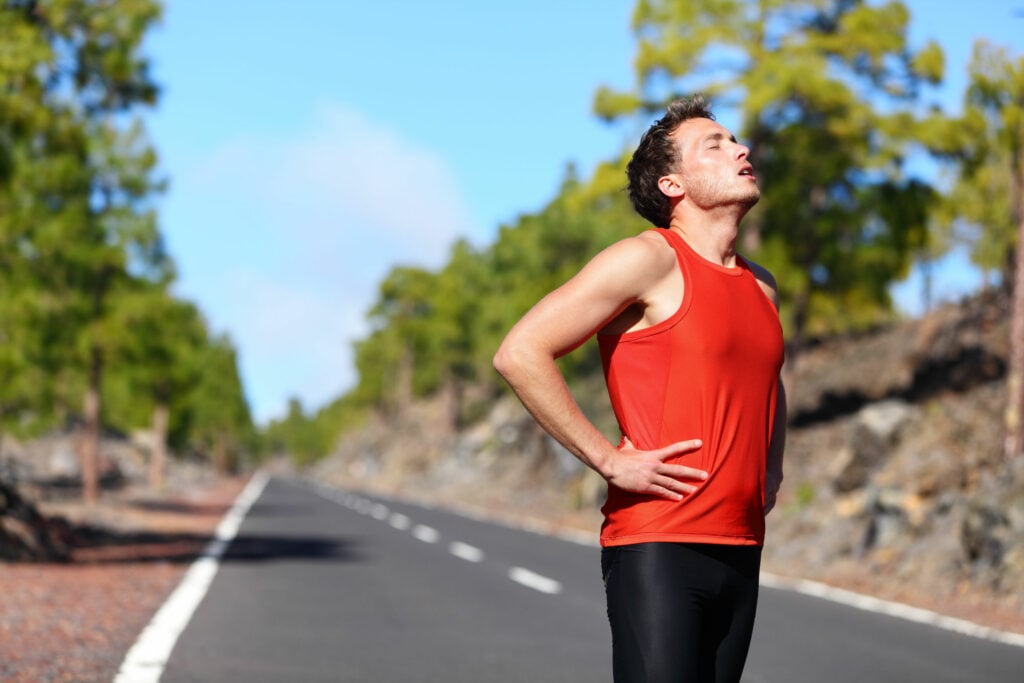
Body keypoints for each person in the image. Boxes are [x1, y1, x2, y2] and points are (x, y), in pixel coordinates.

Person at [492, 94, 787, 683]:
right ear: (672, 184)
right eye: (717, 143)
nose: (741, 149)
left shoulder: (763, 287)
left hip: (742, 545)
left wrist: (770, 473)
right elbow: (520, 352)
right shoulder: (648, 261)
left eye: (736, 140)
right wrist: (607, 459)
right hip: (659, 544)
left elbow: (769, 386)